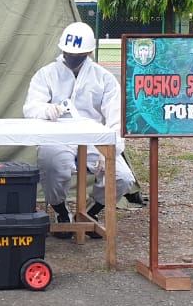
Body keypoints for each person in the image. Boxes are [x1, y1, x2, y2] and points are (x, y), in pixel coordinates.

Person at [23, 22, 137, 237]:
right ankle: (60, 210)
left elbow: (116, 117)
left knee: (122, 176)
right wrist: (46, 110)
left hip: (93, 138)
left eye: (78, 54)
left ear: (89, 52)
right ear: (62, 50)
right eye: (68, 53)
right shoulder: (46, 74)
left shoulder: (103, 78)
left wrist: (113, 148)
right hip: (57, 136)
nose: (72, 57)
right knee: (52, 163)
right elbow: (30, 107)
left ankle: (93, 212)